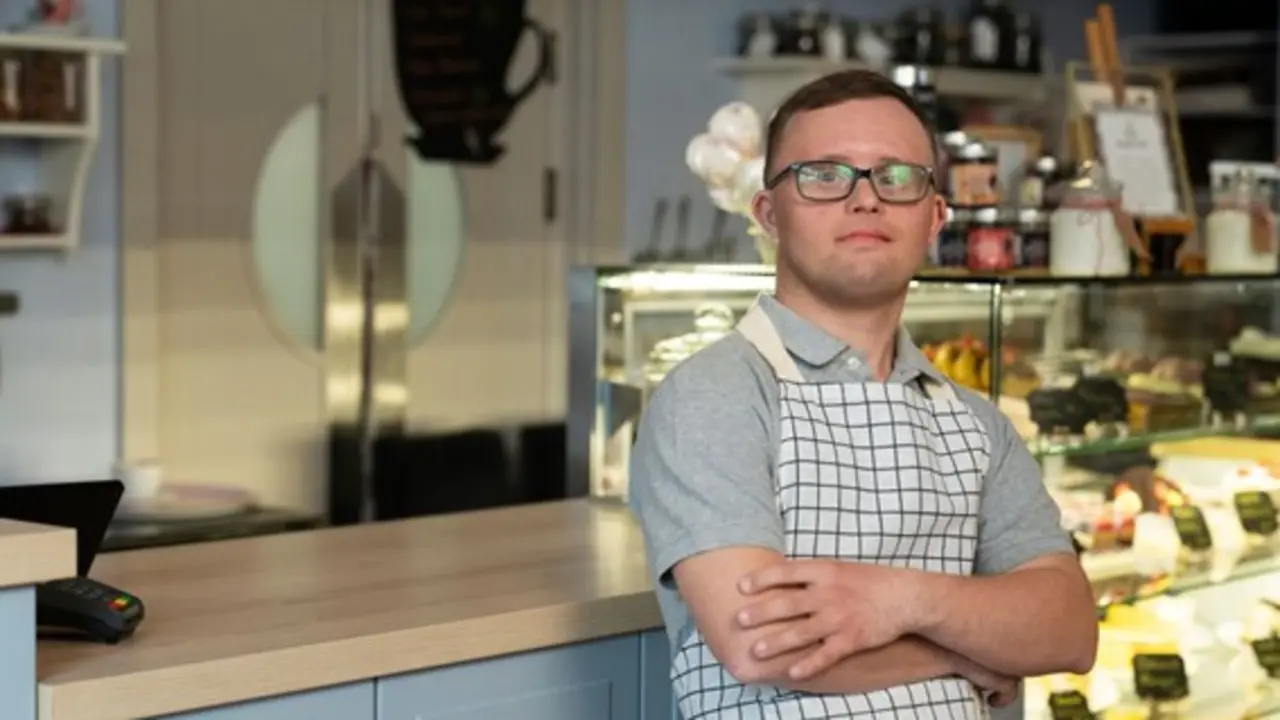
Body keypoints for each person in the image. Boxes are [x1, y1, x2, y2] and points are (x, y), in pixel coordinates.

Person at [628, 69, 1098, 719]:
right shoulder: (713, 396)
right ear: (768, 213)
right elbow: (761, 645)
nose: (866, 199)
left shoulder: (977, 424)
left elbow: (1070, 630)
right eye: (824, 174)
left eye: (897, 176)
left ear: (935, 216)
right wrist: (967, 653)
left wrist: (898, 601)